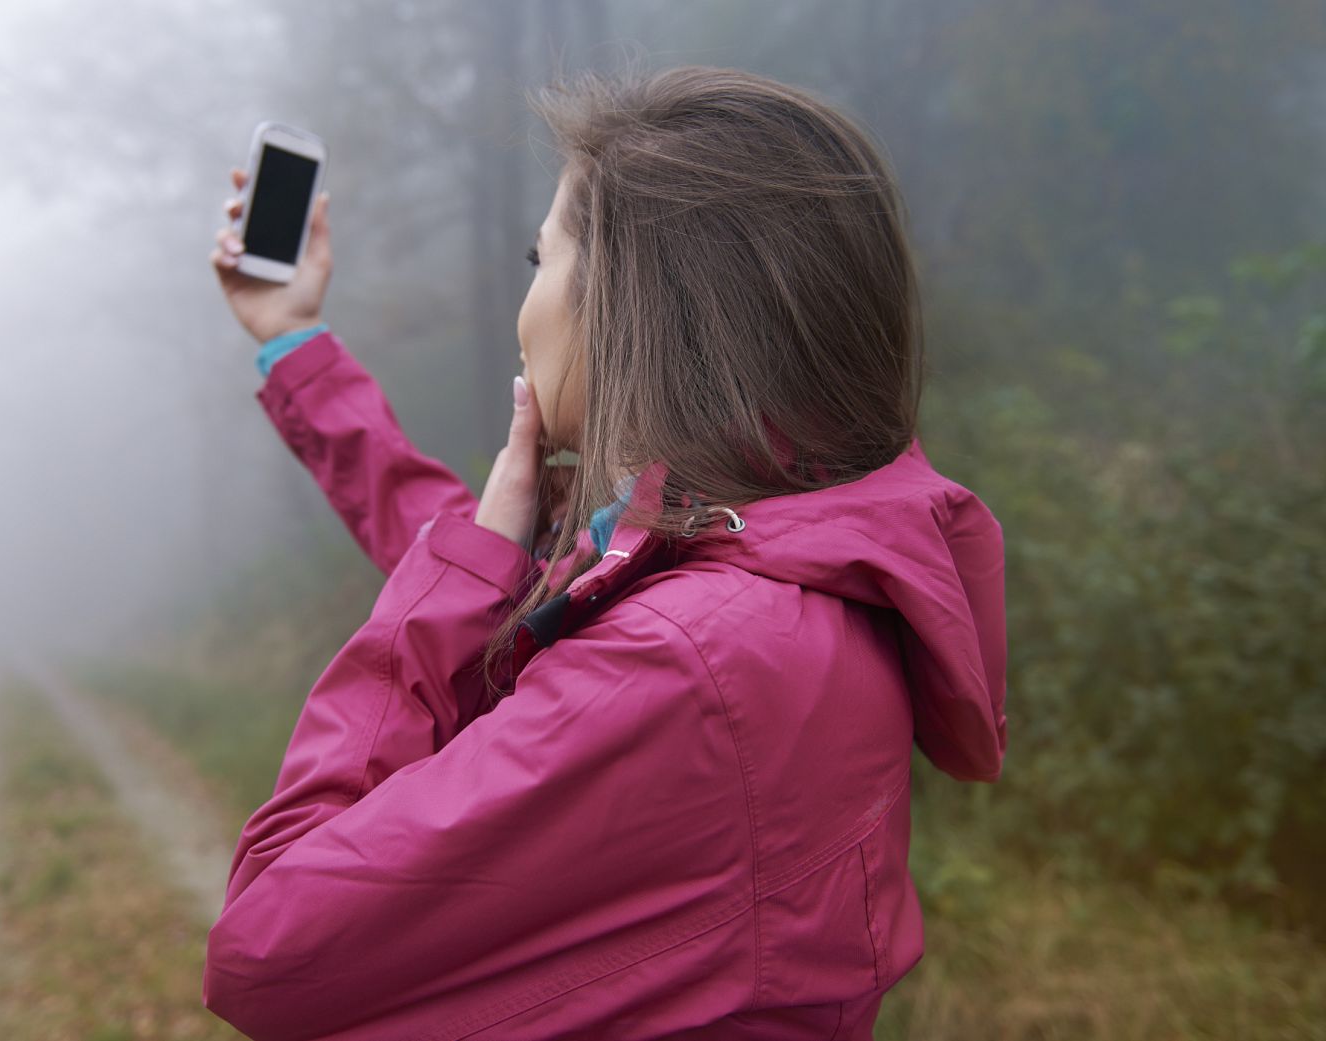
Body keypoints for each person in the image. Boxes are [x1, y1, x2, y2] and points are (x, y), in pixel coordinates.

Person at [202, 64, 1006, 1041]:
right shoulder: (791, 553)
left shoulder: (683, 656)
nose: (528, 304)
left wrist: (444, 583)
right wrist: (295, 346)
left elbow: (269, 947)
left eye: (541, 261)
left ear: (620, 301)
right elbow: (502, 588)